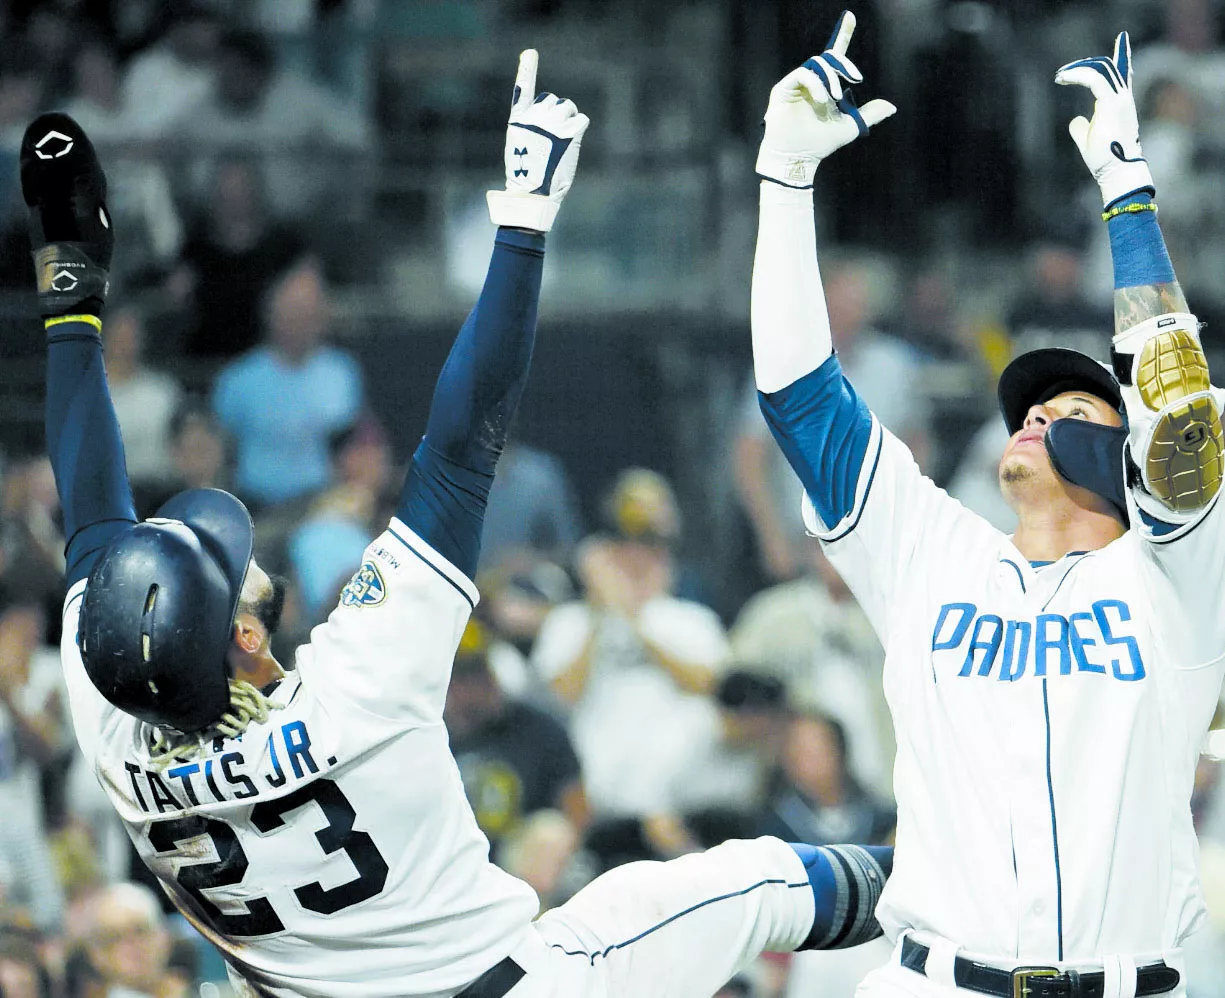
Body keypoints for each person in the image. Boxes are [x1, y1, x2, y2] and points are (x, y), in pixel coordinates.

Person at [26, 53, 891, 998]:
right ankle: (974, 886)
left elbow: (94, 522)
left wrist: (72, 294)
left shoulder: (116, 706)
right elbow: (460, 448)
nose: (235, 555)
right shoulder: (352, 692)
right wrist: (521, 225)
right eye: (226, 569)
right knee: (754, 881)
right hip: (502, 988)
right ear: (240, 637)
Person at [750, 15, 1217, 997]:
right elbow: (798, 397)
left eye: (1072, 404)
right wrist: (784, 185)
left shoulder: (1179, 572)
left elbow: (1181, 419)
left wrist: (1127, 194)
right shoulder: (929, 554)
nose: (1035, 413)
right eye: (1027, 405)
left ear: (1123, 450)